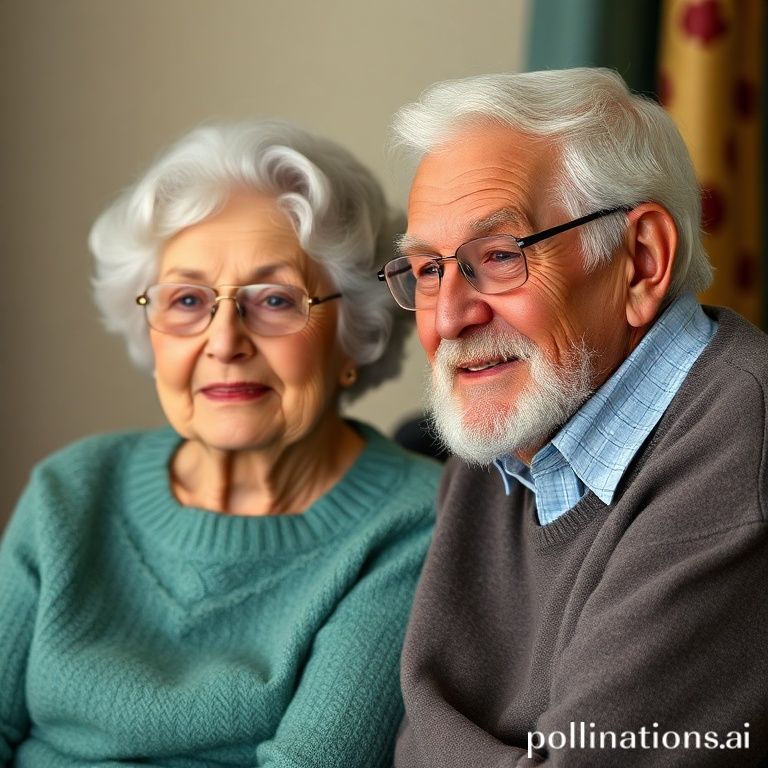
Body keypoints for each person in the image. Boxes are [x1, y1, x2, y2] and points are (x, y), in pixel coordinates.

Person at [0, 120, 441, 767]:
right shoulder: (72, 489)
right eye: (186, 300)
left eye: (274, 300)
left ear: (353, 332)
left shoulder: (412, 527)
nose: (225, 341)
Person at [377, 68, 768, 766]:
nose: (449, 317)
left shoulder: (745, 452)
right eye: (427, 270)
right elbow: (411, 741)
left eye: (497, 257)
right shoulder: (503, 436)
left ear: (641, 261)